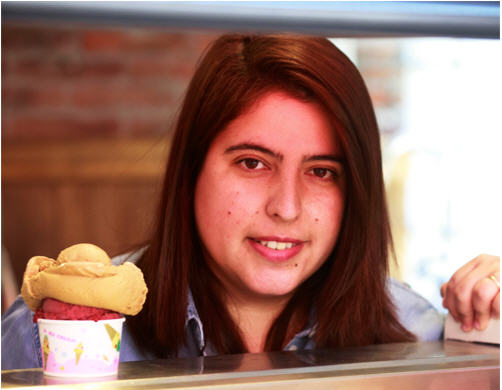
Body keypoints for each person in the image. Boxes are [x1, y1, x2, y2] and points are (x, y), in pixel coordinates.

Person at [1, 34, 499, 369]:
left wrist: (490, 318)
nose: (286, 206)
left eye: (322, 172)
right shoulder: (55, 331)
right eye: (253, 163)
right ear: (191, 170)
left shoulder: (415, 331)